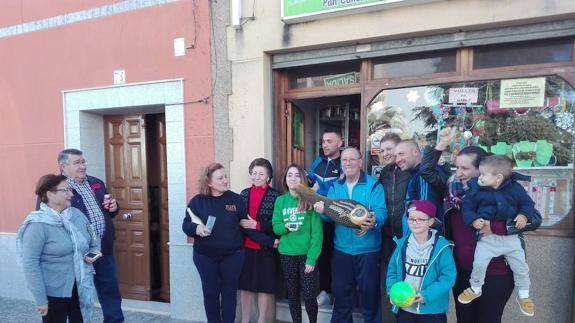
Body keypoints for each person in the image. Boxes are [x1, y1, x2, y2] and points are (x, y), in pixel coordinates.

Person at [426, 128, 514, 323]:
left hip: (495, 274)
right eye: (457, 167)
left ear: (481, 169)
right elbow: (427, 170)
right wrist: (441, 144)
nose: (459, 173)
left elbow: (528, 220)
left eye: (464, 169)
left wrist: (496, 227)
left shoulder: (503, 194)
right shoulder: (452, 189)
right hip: (463, 272)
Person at [313, 147, 387, 323]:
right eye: (344, 160)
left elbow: (381, 211)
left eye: (352, 159)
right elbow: (329, 216)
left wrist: (375, 220)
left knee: (369, 298)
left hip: (368, 251)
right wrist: (322, 211)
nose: (348, 163)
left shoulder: (373, 185)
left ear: (360, 162)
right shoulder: (335, 186)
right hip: (342, 251)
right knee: (341, 298)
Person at [457, 155, 535, 317]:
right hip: (487, 240)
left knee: (521, 267)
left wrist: (523, 215)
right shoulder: (476, 190)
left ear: (498, 177)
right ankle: (475, 288)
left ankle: (524, 295)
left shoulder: (515, 189)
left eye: (484, 174)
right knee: (479, 263)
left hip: (511, 240)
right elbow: (468, 208)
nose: (480, 177)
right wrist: (473, 220)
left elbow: (528, 204)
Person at [18, 174, 100, 323]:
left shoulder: (77, 215)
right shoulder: (37, 225)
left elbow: (94, 241)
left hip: (81, 286)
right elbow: (30, 264)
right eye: (66, 190)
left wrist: (93, 255)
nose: (71, 194)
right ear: (50, 194)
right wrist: (40, 298)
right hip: (53, 292)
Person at [57, 149, 124, 323]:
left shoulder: (96, 183)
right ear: (63, 166)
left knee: (110, 292)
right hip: (76, 254)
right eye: (77, 162)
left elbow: (110, 212)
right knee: (78, 297)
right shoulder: (56, 188)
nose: (82, 166)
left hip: (102, 249)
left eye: (83, 161)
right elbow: (49, 221)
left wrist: (114, 207)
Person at [182, 163, 247, 323]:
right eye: (220, 178)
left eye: (225, 176)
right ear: (209, 182)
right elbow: (186, 225)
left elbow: (246, 225)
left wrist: (270, 239)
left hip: (233, 256)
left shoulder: (236, 199)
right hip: (205, 257)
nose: (226, 180)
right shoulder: (197, 202)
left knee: (229, 294)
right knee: (210, 293)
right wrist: (196, 229)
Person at [386, 200, 456, 323]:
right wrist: (391, 291)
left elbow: (448, 277)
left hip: (432, 310)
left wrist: (427, 295)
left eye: (420, 219)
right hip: (405, 308)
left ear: (430, 221)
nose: (415, 222)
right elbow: (392, 271)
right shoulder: (401, 244)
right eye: (411, 219)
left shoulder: (442, 247)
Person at [272, 164, 323, 323]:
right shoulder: (281, 200)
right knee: (292, 295)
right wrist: (285, 227)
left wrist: (312, 258)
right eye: (289, 175)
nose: (292, 178)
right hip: (287, 254)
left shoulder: (309, 200)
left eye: (296, 175)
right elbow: (276, 226)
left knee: (309, 296)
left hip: (306, 256)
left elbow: (317, 233)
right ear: (285, 180)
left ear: (302, 179)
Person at [238, 158, 281, 323]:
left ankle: (262, 320)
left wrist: (257, 225)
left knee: (265, 287)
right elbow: (242, 224)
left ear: (268, 176)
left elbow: (276, 225)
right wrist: (254, 229)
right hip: (246, 248)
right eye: (254, 173)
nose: (257, 176)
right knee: (245, 287)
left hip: (266, 250)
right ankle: (245, 320)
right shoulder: (243, 194)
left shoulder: (276, 196)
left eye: (261, 173)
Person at [377, 132, 411, 322]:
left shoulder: (410, 171)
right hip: (387, 236)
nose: (386, 153)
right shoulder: (384, 173)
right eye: (382, 150)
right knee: (389, 280)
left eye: (389, 149)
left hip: (407, 235)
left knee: (408, 280)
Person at [308, 129, 343, 304]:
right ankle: (325, 291)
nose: (325, 144)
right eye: (323, 141)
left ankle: (338, 293)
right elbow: (311, 184)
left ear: (340, 143)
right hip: (318, 215)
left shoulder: (344, 163)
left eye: (329, 141)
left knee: (337, 256)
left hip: (336, 216)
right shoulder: (318, 161)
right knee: (321, 255)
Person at [394, 140, 450, 235]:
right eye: (396, 156)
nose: (397, 160)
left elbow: (425, 212)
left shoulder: (422, 175)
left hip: (424, 241)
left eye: (401, 154)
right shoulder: (415, 174)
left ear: (415, 152)